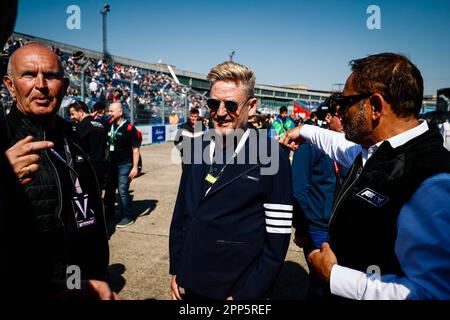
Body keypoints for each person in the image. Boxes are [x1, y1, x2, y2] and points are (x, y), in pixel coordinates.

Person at [281, 53, 450, 299]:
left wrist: (335, 277)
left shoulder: (431, 182)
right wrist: (304, 130)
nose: (340, 111)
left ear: (375, 106)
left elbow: (433, 292)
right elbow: (336, 143)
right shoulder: (376, 151)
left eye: (346, 102)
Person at [169, 61, 293, 300]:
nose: (221, 112)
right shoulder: (195, 147)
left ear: (251, 106)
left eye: (231, 105)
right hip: (191, 280)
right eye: (214, 104)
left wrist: (247, 294)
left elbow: (277, 241)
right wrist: (177, 267)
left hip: (235, 289)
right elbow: (181, 214)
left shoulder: (272, 156)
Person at [3, 41, 116, 298]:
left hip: (84, 283)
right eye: (29, 75)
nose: (41, 85)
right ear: (10, 86)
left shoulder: (74, 136)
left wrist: (99, 274)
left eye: (51, 76)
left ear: (64, 87)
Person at [291, 92, 348, 299]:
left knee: (337, 286)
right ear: (328, 117)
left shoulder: (350, 147)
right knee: (321, 284)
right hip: (317, 227)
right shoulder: (308, 146)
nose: (346, 120)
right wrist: (302, 227)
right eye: (341, 116)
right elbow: (298, 190)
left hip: (341, 227)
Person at [104, 102, 141, 228]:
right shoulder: (109, 124)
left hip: (125, 164)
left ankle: (127, 216)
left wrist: (135, 168)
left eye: (111, 111)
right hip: (112, 164)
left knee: (123, 190)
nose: (109, 113)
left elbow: (135, 150)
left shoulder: (130, 128)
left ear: (120, 112)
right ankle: (110, 214)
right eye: (109, 111)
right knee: (110, 189)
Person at [68, 100, 108, 187]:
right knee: (98, 193)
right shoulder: (100, 124)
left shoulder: (81, 126)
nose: (71, 117)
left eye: (72, 114)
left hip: (88, 167)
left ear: (81, 112)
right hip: (101, 165)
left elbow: (76, 149)